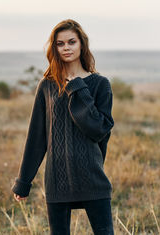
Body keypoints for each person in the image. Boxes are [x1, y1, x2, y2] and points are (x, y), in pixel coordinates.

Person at [11, 19, 115, 234]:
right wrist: (24, 181)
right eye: (60, 43)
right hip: (57, 181)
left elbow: (99, 130)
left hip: (93, 178)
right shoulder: (47, 85)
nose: (66, 47)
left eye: (71, 42)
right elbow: (36, 137)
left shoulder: (100, 84)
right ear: (54, 48)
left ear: (81, 45)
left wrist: (78, 88)